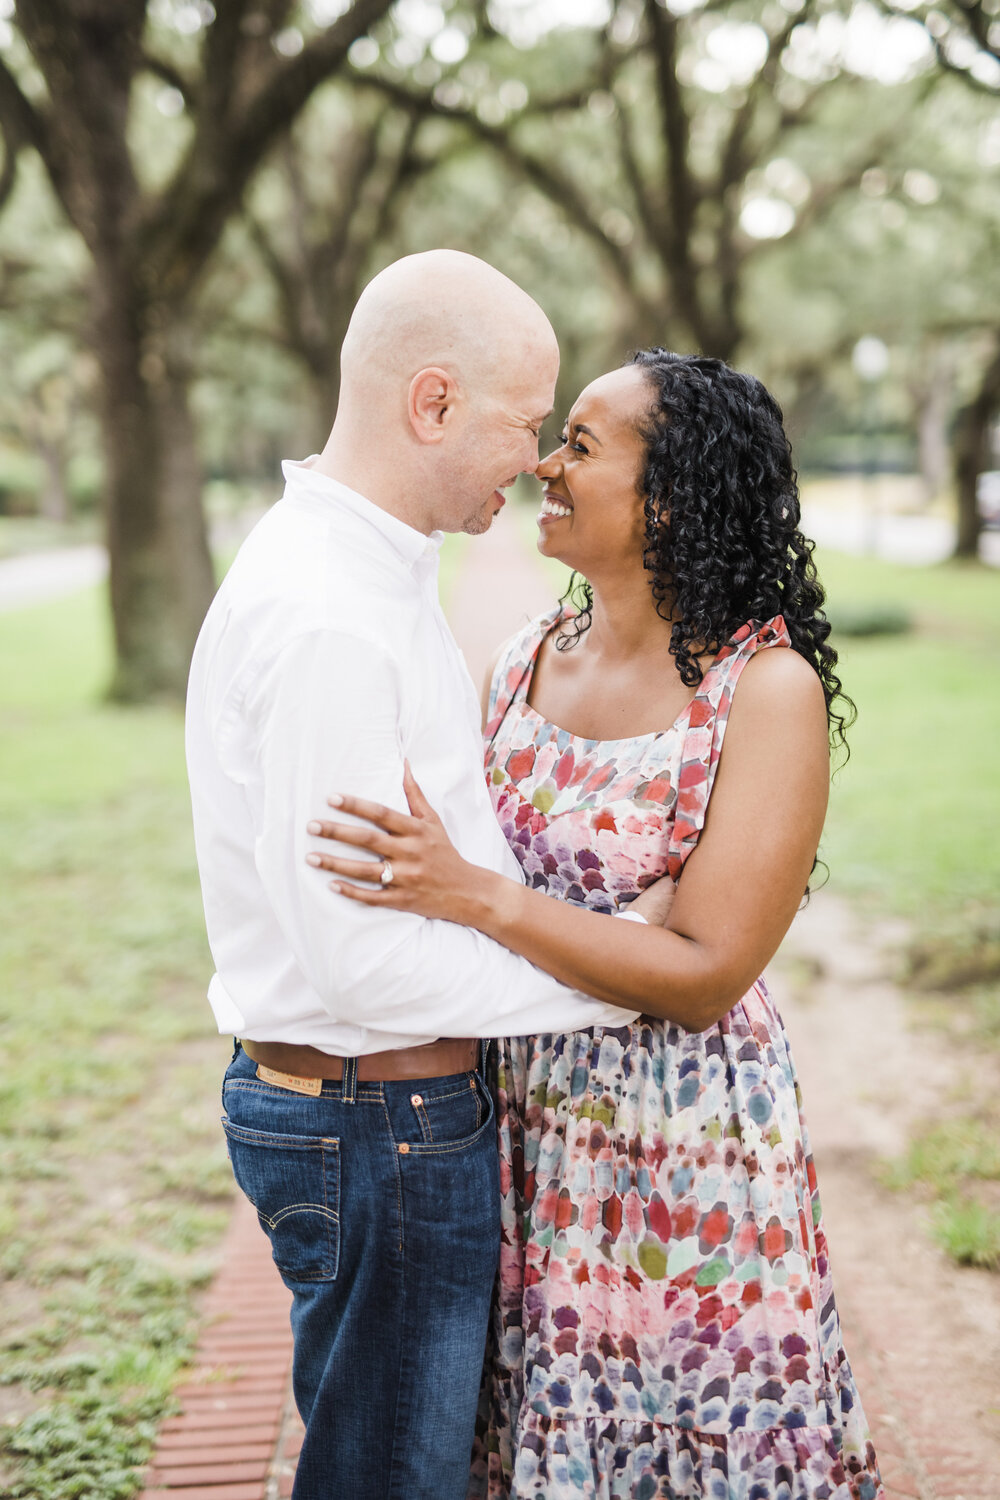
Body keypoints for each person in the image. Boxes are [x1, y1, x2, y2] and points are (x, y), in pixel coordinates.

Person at [304, 351, 884, 1499]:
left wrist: (483, 899)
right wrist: (611, 923)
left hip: (681, 1140)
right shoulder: (525, 660)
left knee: (682, 1427)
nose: (543, 467)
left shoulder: (762, 691)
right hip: (520, 1119)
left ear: (669, 495)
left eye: (580, 444)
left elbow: (705, 973)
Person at [184, 252, 672, 1500]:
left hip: (375, 1119)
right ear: (435, 404)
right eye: (527, 421)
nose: (540, 459)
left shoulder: (366, 570)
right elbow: (363, 959)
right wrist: (619, 984)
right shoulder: (333, 616)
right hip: (376, 1125)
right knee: (389, 1478)